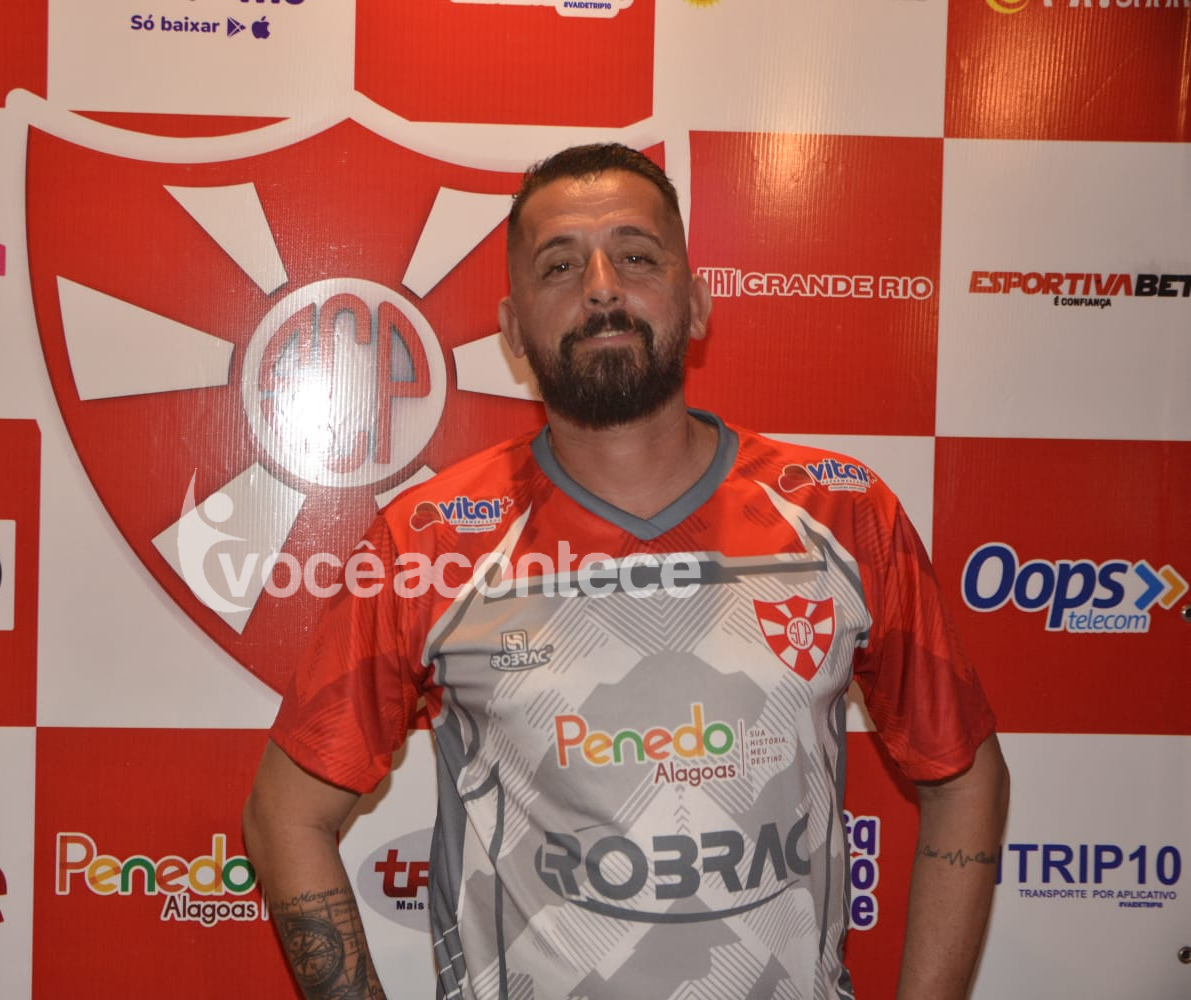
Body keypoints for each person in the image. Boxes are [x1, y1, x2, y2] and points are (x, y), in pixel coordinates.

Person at [243, 143, 1009, 1000]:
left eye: (637, 257)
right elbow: (286, 815)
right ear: (512, 331)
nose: (602, 287)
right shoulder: (429, 541)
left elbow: (965, 777)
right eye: (560, 265)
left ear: (698, 300)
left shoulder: (840, 513)